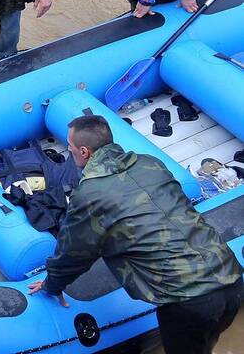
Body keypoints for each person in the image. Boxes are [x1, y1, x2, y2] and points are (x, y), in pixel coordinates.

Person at [28, 114, 243, 354]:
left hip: (188, 299)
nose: (69, 151)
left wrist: (52, 284)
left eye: (71, 147)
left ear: (85, 152)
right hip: (231, 278)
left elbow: (74, 253)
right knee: (205, 342)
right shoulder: (149, 163)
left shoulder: (89, 195)